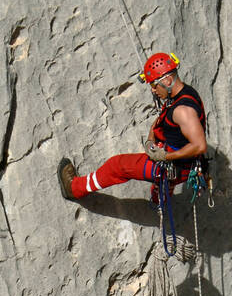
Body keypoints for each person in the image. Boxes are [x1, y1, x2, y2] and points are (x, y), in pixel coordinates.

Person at [58, 52, 207, 204]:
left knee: (117, 166)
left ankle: (74, 188)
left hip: (175, 165)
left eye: (154, 85)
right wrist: (151, 137)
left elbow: (199, 146)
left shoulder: (183, 111)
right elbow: (169, 121)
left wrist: (165, 156)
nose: (153, 91)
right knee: (163, 180)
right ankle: (159, 198)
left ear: (168, 80)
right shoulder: (184, 94)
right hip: (181, 164)